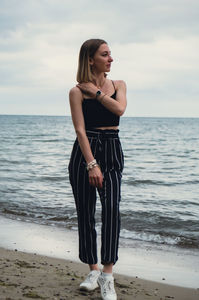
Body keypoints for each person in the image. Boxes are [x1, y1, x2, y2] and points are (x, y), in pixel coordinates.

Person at [68, 38, 127, 300]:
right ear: (91, 59)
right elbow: (79, 130)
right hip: (85, 150)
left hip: (112, 148)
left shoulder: (119, 85)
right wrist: (91, 164)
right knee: (86, 213)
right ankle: (93, 270)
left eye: (110, 54)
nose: (111, 58)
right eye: (105, 54)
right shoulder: (76, 91)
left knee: (112, 210)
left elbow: (120, 109)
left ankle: (107, 275)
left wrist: (98, 93)